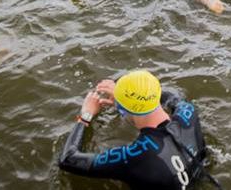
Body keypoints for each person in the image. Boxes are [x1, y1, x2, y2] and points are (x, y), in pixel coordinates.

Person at [58, 70, 211, 189]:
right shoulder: (188, 112)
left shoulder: (134, 156)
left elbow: (68, 160)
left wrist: (86, 115)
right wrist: (129, 97)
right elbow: (172, 97)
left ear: (123, 110)